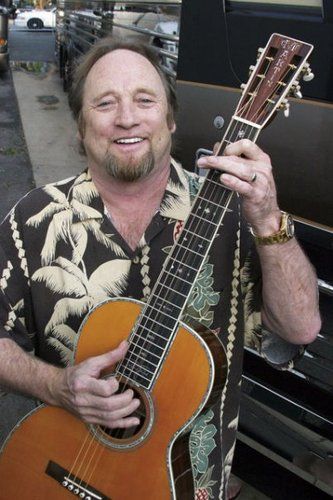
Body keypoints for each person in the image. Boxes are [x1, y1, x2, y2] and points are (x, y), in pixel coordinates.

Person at [0, 37, 321, 499]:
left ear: (170, 118)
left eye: (144, 100)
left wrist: (270, 220)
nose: (127, 118)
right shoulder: (33, 220)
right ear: (79, 126)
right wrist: (56, 385)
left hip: (189, 486)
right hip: (58, 472)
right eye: (105, 103)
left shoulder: (232, 214)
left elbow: (300, 328)